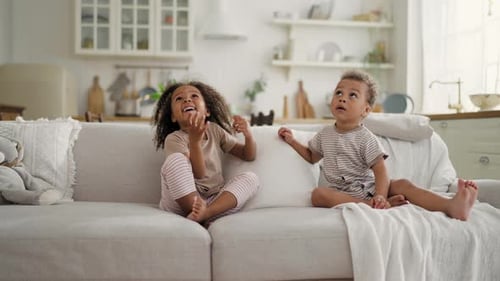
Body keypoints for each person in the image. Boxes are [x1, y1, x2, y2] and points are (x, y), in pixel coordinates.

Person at [278, 70, 478, 221]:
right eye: (338, 92)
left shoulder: (366, 137)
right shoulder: (324, 134)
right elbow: (312, 156)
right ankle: (372, 205)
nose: (342, 97)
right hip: (343, 195)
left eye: (352, 95)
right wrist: (293, 141)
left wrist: (381, 196)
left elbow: (381, 172)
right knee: (318, 195)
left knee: (402, 185)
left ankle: (450, 205)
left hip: (370, 188)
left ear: (365, 110)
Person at [152, 81, 259, 225]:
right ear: (173, 117)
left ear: (207, 111)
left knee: (251, 178)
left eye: (194, 96)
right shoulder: (174, 139)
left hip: (213, 200)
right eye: (179, 98)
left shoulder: (215, 130)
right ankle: (201, 213)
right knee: (175, 159)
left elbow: (248, 155)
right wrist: (194, 142)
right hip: (180, 200)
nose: (187, 100)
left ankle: (205, 214)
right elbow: (199, 173)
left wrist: (248, 134)